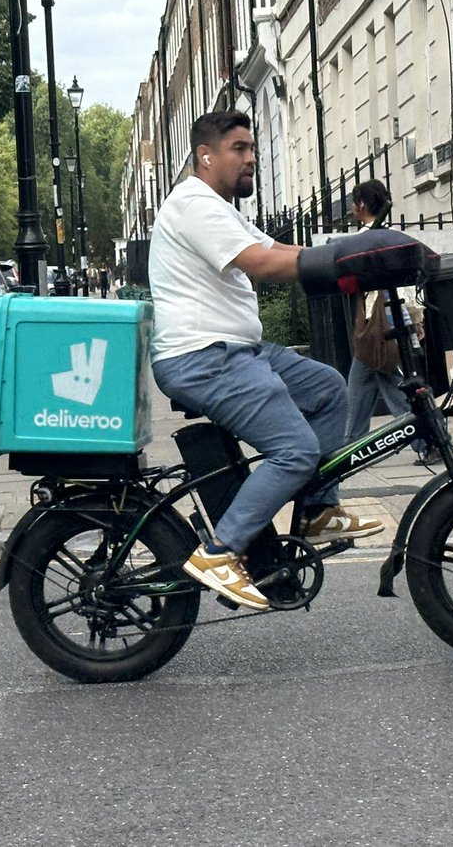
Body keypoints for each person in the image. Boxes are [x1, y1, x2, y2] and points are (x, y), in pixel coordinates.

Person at [150, 111, 384, 610]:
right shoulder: (195, 205)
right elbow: (260, 262)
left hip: (237, 350)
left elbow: (276, 246)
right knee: (294, 450)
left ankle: (316, 512)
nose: (251, 157)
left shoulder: (219, 206)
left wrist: (353, 257)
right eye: (239, 148)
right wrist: (345, 263)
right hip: (203, 356)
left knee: (326, 388)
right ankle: (220, 552)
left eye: (252, 148)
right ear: (205, 156)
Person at [343, 181, 436, 465]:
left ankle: (428, 441)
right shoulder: (391, 237)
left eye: (353, 203)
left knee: (399, 388)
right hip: (392, 319)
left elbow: (349, 284)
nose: (351, 209)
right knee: (359, 387)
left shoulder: (362, 240)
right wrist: (415, 317)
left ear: (361, 205)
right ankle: (350, 448)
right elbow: (406, 285)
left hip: (377, 324)